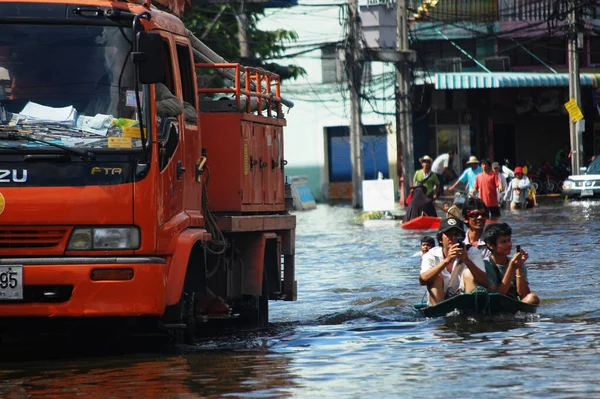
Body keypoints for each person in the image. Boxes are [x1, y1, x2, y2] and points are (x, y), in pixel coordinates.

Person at [419, 217, 488, 305]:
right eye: (448, 234)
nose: (453, 237)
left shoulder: (472, 252)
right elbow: (423, 280)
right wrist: (447, 261)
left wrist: (467, 261)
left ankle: (470, 311)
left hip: (463, 298)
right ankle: (437, 312)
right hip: (439, 300)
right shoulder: (431, 255)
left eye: (456, 234)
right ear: (440, 239)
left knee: (468, 273)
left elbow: (484, 281)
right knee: (435, 276)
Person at [483, 222, 540, 305]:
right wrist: (511, 267)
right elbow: (498, 296)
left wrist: (518, 267)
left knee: (532, 298)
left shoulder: (515, 262)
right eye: (503, 242)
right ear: (490, 245)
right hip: (495, 305)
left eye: (509, 240)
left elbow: (523, 294)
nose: (509, 244)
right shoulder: (485, 265)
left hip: (513, 302)